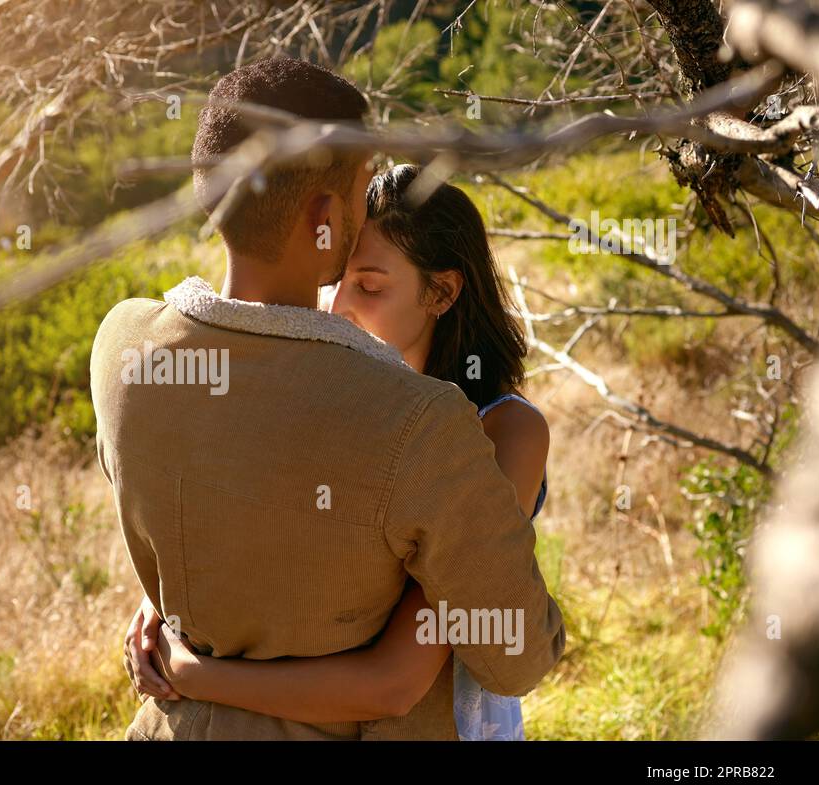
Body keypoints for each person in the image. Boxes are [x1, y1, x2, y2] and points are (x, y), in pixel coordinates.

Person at [89, 57, 564, 740]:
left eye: (372, 286)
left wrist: (184, 645)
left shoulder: (120, 346)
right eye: (359, 183)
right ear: (323, 215)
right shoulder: (416, 427)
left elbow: (230, 492)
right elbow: (511, 655)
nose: (345, 300)